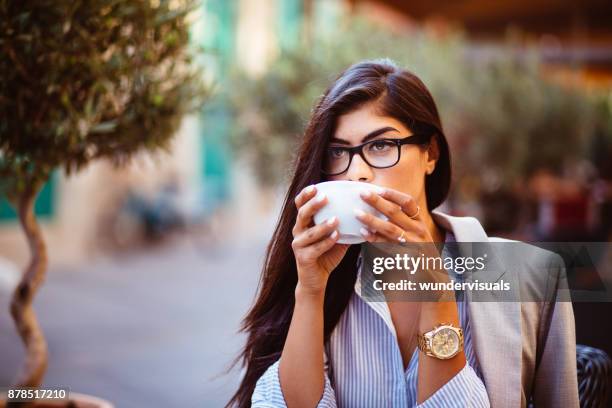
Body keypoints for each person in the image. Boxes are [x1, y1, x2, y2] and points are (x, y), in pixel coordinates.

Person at [226, 59, 579, 408]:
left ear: (431, 154)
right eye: (337, 152)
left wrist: (437, 294)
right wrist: (310, 291)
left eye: (380, 146)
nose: (357, 173)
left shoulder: (532, 275)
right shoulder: (322, 278)